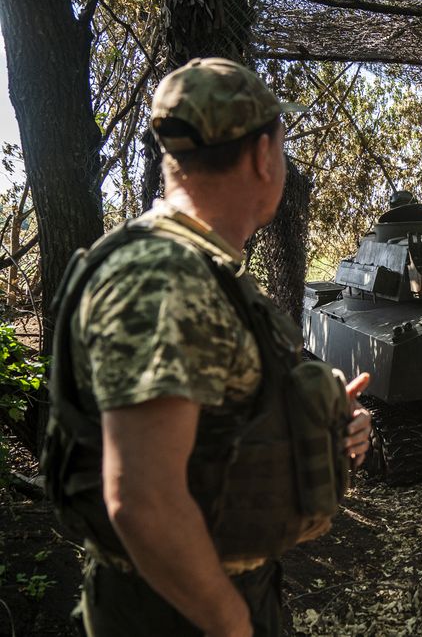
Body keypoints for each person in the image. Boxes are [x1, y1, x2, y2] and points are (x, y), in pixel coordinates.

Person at [41, 57, 372, 636]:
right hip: (176, 611)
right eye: (283, 146)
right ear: (262, 157)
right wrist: (232, 626)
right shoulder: (161, 278)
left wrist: (320, 420)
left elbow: (218, 429)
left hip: (212, 594)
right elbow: (143, 501)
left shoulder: (202, 271)